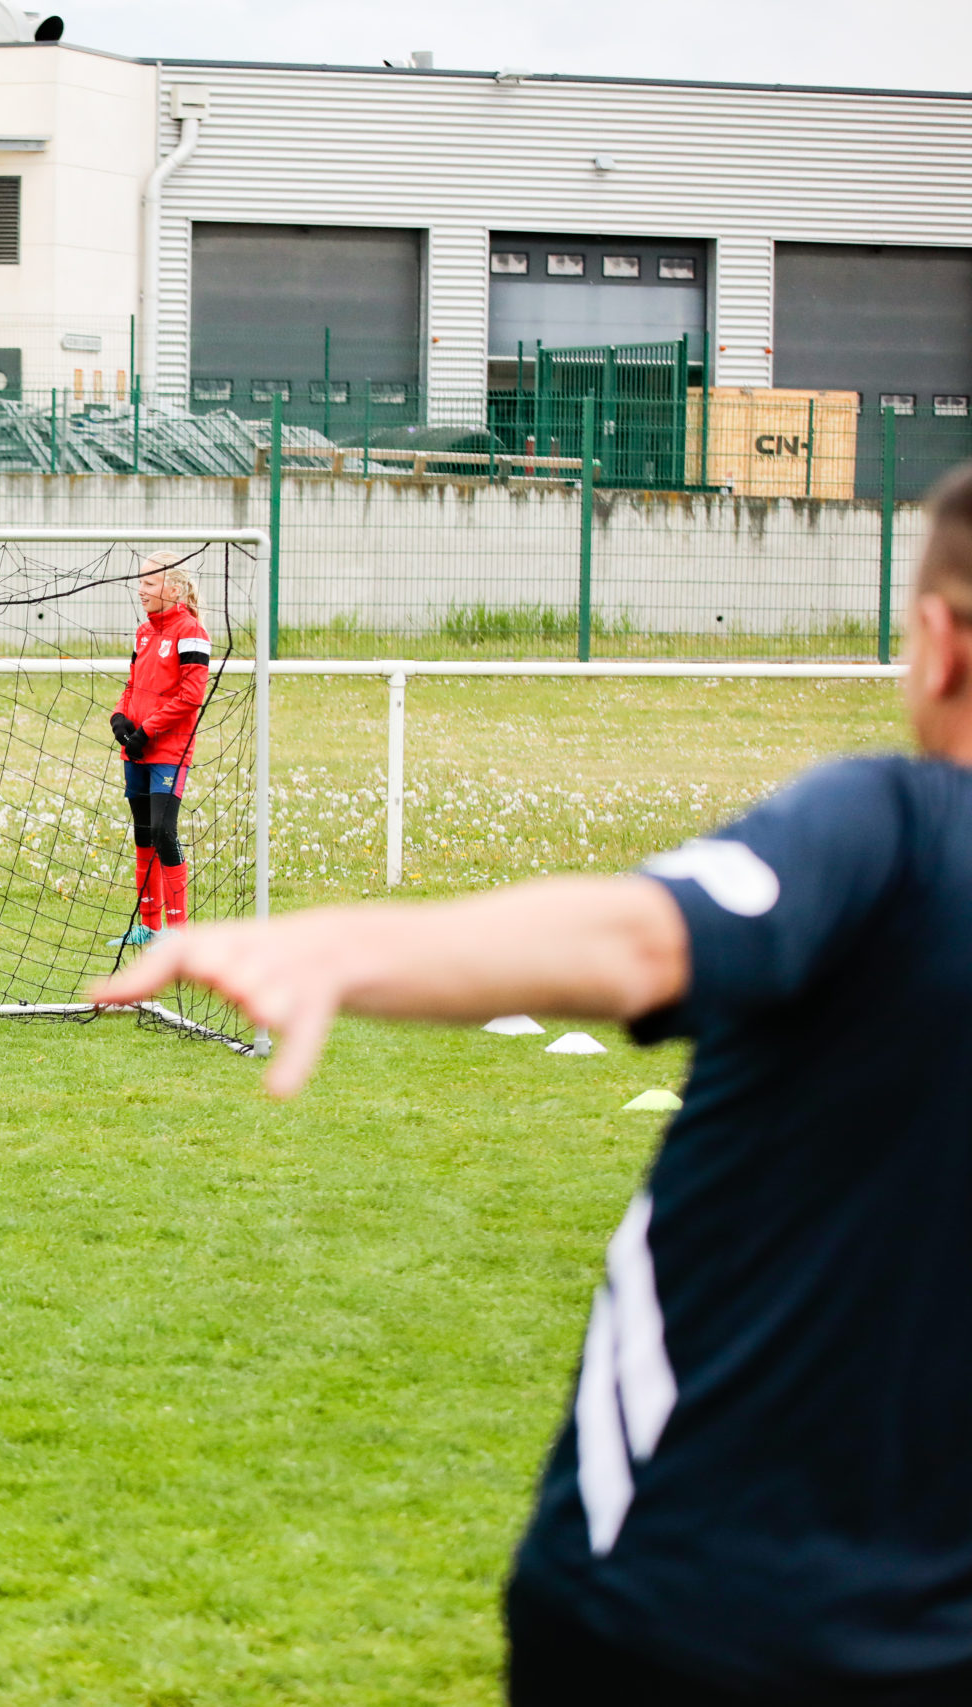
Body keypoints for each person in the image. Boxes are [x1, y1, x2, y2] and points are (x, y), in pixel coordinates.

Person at [90, 461, 972, 1704]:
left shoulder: (897, 827)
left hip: (684, 1606)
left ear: (935, 643)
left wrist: (336, 946)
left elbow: (638, 936)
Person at [109, 553, 212, 946]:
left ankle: (179, 935)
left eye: (150, 583)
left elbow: (190, 697)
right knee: (142, 833)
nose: (141, 590)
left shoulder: (192, 633)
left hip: (167, 750)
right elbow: (132, 684)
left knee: (164, 831)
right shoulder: (142, 632)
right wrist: (119, 716)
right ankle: (148, 928)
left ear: (174, 588)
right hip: (136, 749)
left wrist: (148, 730)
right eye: (140, 582)